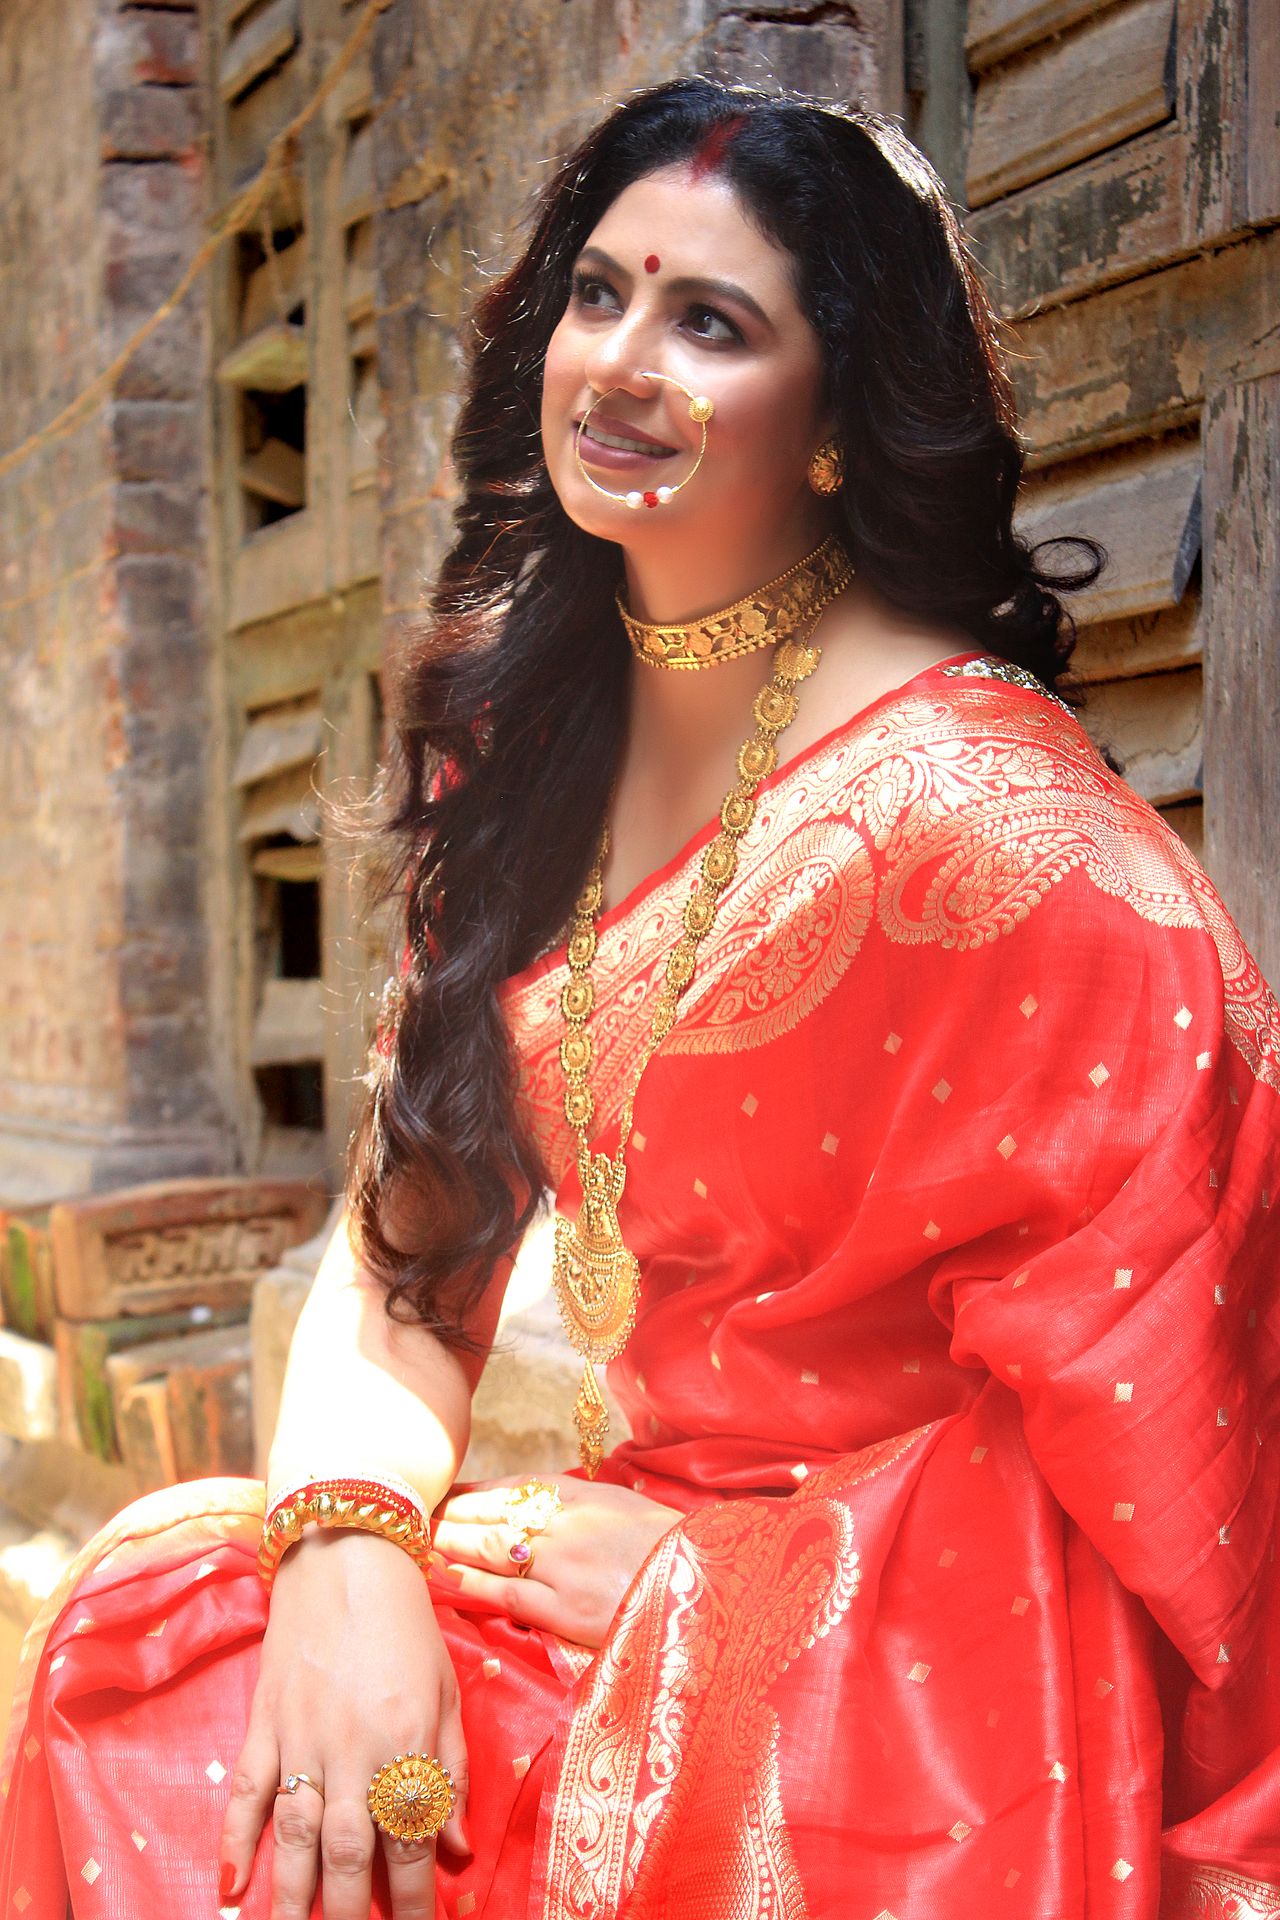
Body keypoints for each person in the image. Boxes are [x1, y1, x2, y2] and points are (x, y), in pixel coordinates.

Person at [2, 75, 1278, 1920]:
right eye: (598, 295)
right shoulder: (533, 745)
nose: (622, 361)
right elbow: (402, 1252)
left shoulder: (1003, 848)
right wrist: (346, 1561)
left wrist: (740, 1593)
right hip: (613, 1565)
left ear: (839, 414)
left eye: (712, 322)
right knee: (150, 1656)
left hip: (897, 1691)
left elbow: (1200, 1447)